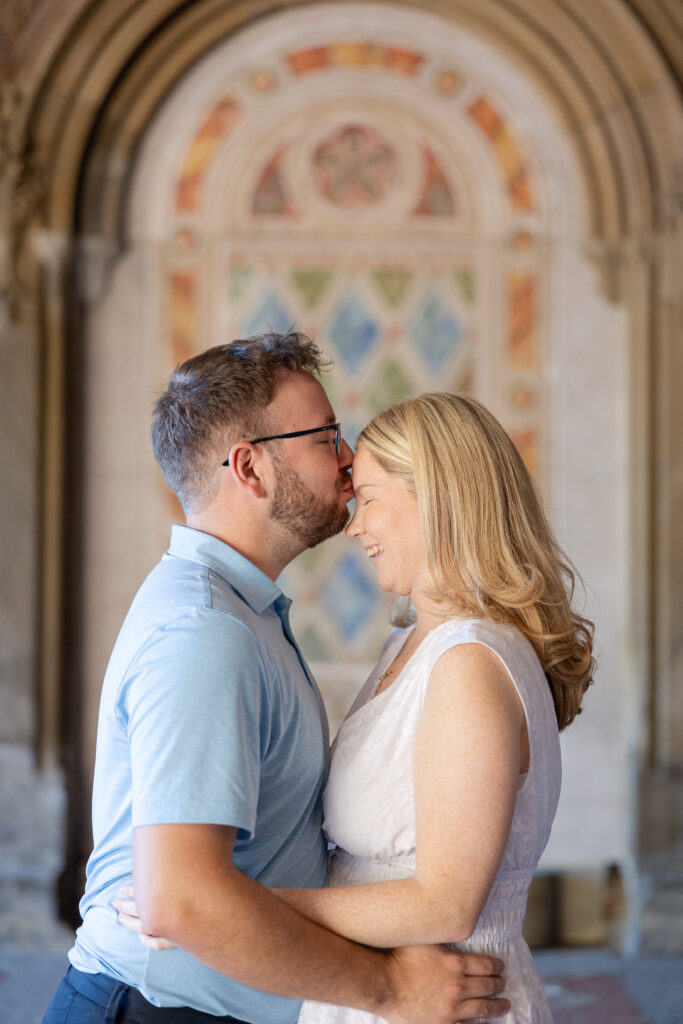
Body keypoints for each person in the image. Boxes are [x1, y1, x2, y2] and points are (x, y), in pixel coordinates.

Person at [42, 333, 508, 1024]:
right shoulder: (204, 635)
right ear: (250, 469)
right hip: (153, 1009)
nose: (350, 459)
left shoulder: (239, 613)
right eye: (325, 437)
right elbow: (182, 901)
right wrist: (389, 989)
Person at [120, 391, 595, 1024]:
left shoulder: (470, 662)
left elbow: (445, 904)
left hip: (442, 993)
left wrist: (232, 907)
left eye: (368, 496)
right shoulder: (416, 641)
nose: (355, 524)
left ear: (438, 496)